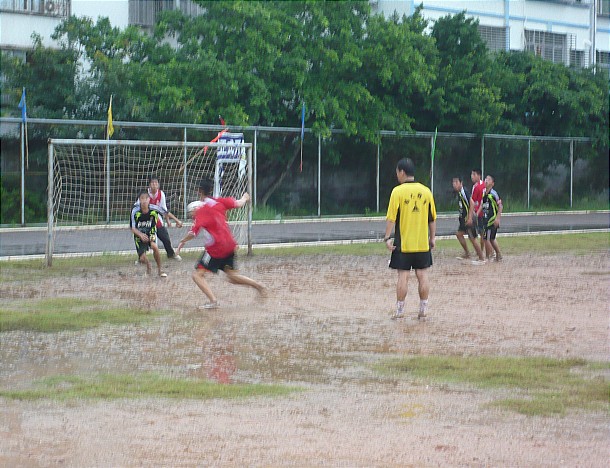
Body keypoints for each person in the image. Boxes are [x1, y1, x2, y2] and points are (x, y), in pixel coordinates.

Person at [176, 178, 267, 309]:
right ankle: (259, 286)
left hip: (215, 248)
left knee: (197, 275)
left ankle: (213, 302)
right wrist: (245, 197)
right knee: (232, 277)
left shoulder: (202, 210)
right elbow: (239, 203)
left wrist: (182, 241)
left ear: (199, 191)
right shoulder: (220, 201)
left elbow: (192, 233)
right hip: (230, 244)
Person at [383, 158, 436, 321]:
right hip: (422, 243)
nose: (397, 175)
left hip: (404, 244)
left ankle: (400, 312)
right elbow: (432, 219)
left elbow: (391, 218)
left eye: (397, 172)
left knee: (403, 276)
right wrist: (432, 238)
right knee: (422, 275)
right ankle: (423, 310)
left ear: (402, 172)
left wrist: (387, 238)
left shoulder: (397, 192)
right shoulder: (426, 191)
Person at [135, 175, 183, 261]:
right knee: (142, 239)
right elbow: (137, 207)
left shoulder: (161, 194)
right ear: (149, 185)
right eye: (152, 183)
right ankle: (141, 257)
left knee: (165, 238)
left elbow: (164, 210)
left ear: (158, 185)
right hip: (145, 221)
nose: (154, 185)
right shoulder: (144, 194)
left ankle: (171, 254)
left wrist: (169, 220)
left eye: (156, 183)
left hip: (156, 219)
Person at [130, 189, 167, 277]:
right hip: (139, 234)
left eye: (146, 198)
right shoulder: (135, 211)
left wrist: (176, 221)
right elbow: (133, 228)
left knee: (155, 247)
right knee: (142, 258)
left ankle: (160, 270)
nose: (144, 201)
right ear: (139, 200)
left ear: (149, 199)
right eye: (142, 198)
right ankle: (148, 265)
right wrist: (140, 235)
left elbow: (166, 213)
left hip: (151, 232)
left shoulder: (154, 208)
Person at [452, 176, 485, 263]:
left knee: (472, 238)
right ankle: (467, 253)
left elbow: (472, 203)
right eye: (453, 182)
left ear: (461, 183)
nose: (454, 184)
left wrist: (470, 218)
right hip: (463, 219)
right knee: (459, 234)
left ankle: (481, 258)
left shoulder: (464, 192)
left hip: (469, 218)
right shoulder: (459, 193)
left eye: (456, 182)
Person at [478, 174, 503, 262]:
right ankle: (498, 255)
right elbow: (482, 204)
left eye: (488, 179)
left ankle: (489, 256)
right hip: (486, 218)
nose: (486, 180)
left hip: (492, 219)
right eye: (485, 179)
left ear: (492, 183)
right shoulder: (484, 192)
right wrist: (477, 214)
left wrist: (497, 219)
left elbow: (500, 206)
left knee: (487, 238)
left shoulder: (493, 194)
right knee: (491, 239)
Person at [468, 168, 486, 260]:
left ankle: (481, 252)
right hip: (483, 211)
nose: (472, 176)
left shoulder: (477, 187)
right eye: (472, 174)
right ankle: (482, 251)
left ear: (479, 176)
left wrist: (474, 213)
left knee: (478, 233)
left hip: (479, 213)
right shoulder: (483, 185)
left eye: (474, 174)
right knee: (482, 233)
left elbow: (473, 201)